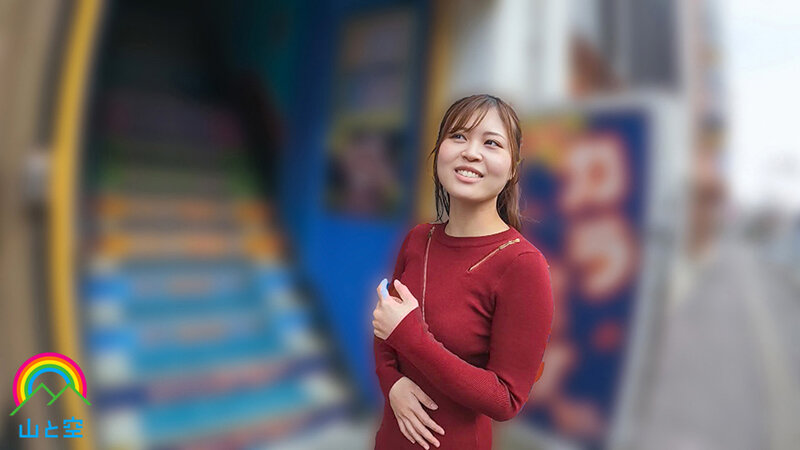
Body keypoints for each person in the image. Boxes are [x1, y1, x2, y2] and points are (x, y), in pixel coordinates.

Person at [371, 94, 555, 449]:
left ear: (513, 168)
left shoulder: (523, 265)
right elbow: (385, 327)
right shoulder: (418, 239)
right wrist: (392, 383)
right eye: (458, 136)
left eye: (491, 143)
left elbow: (506, 399)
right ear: (439, 149)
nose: (471, 152)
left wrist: (410, 337)